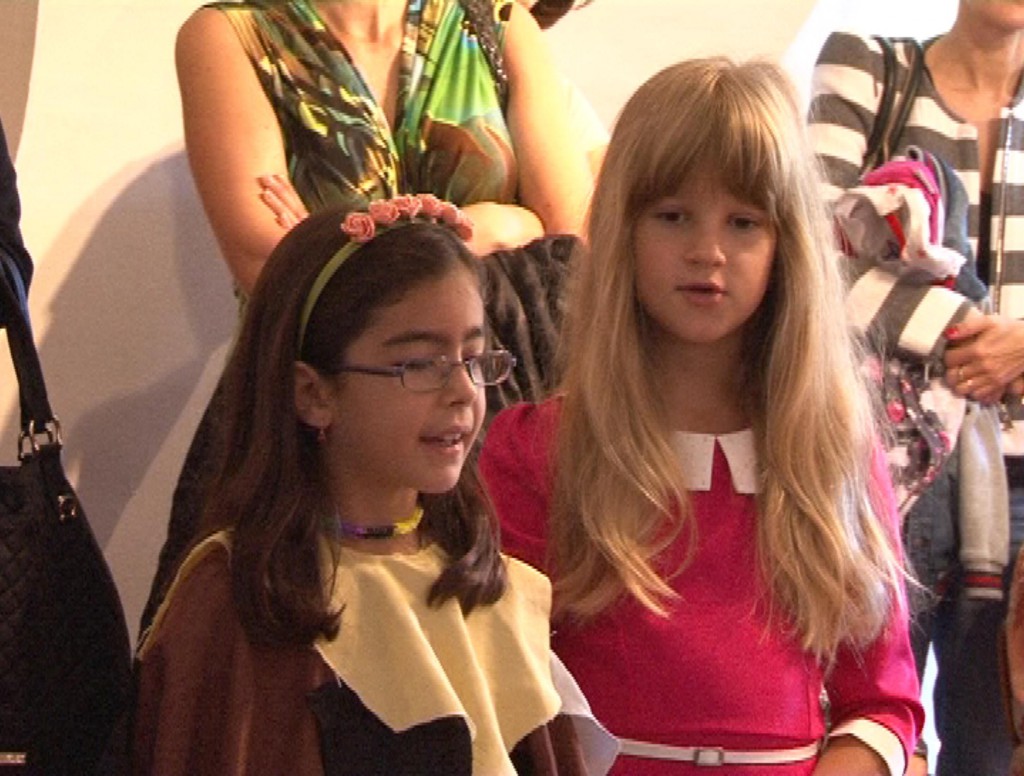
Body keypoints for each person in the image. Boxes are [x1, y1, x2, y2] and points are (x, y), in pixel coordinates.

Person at [480, 58, 924, 775]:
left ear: (787, 246)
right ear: (622, 230)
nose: (707, 252)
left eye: (743, 222)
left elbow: (883, 703)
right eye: (673, 215)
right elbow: (494, 692)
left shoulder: (835, 454)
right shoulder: (538, 451)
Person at [140, 0, 593, 634]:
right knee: (311, 648)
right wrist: (502, 222)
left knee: (495, 647)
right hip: (324, 434)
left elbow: (571, 243)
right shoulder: (233, 34)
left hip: (497, 404)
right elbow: (275, 266)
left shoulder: (494, 24)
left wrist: (363, 236)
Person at [132, 197, 611, 776]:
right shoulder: (241, 602)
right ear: (313, 394)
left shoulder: (490, 589)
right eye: (421, 364)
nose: (463, 391)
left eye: (475, 357)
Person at [808, 5, 1024, 769]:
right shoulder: (871, 68)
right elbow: (810, 259)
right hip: (883, 469)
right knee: (869, 726)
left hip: (1018, 486)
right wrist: (977, 336)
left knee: (995, 749)